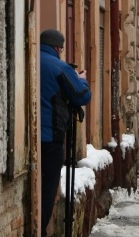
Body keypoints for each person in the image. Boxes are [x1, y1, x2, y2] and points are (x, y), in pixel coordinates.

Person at [39, 29, 92, 237]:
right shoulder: (59, 67)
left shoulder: (32, 60)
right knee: (49, 185)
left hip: (31, 138)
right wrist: (83, 80)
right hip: (52, 135)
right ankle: (41, 229)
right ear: (58, 47)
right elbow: (81, 96)